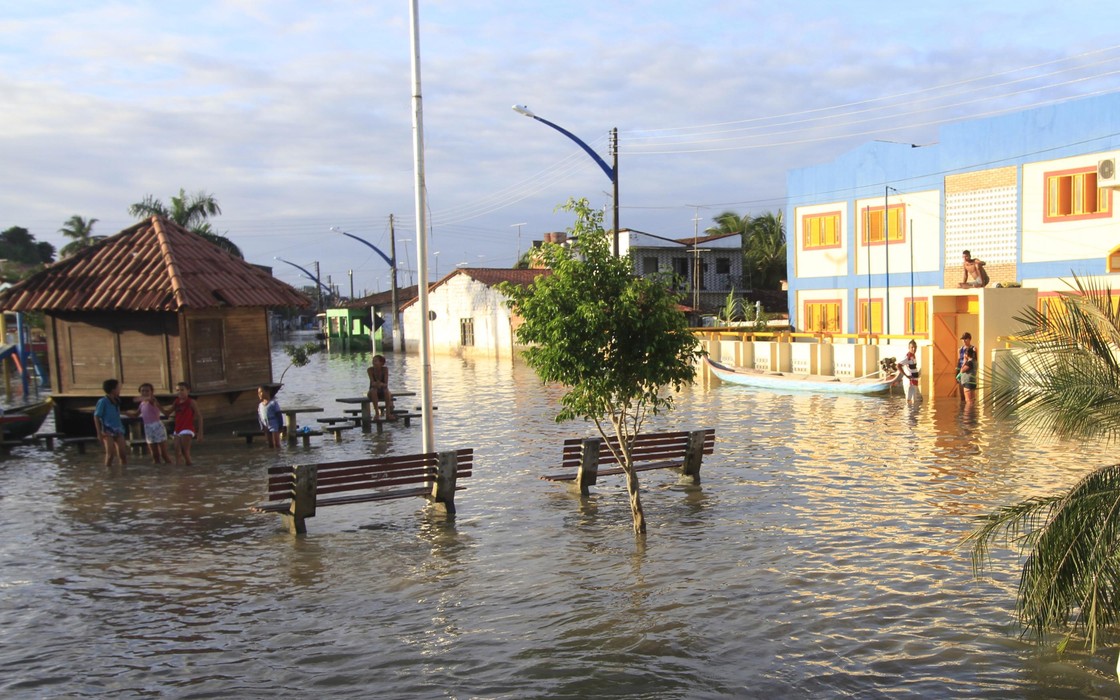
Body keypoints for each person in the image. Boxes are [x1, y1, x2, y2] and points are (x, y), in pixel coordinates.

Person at [93, 378, 129, 467]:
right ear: (113, 389)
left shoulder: (117, 400)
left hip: (118, 428)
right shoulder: (103, 401)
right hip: (107, 430)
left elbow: (114, 412)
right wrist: (99, 433)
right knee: (110, 455)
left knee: (123, 454)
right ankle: (108, 473)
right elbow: (96, 416)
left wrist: (127, 413)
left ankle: (123, 472)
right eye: (118, 388)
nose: (119, 389)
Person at [136, 382, 171, 464]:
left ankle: (170, 470)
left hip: (157, 427)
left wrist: (140, 398)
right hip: (148, 427)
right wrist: (123, 413)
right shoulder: (142, 404)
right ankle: (158, 473)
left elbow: (150, 399)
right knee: (155, 455)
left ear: (151, 392)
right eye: (142, 391)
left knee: (163, 454)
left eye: (147, 391)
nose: (144, 393)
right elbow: (136, 414)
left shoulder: (152, 400)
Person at [171, 381, 203, 465]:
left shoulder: (191, 402)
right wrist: (157, 404)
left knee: (185, 452)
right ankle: (180, 473)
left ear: (188, 391)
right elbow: (167, 413)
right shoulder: (176, 402)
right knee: (176, 452)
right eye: (178, 390)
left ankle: (190, 469)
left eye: (182, 390)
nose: (180, 392)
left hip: (187, 428)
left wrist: (200, 433)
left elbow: (199, 416)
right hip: (177, 428)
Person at [366, 354, 396, 420]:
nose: (373, 362)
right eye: (373, 361)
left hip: (383, 390)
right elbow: (372, 383)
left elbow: (386, 384)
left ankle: (388, 414)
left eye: (376, 361)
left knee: (386, 391)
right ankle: (377, 413)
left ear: (381, 363)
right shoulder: (370, 370)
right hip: (372, 391)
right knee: (374, 391)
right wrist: (378, 384)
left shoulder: (385, 369)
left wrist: (380, 384)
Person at [956, 332, 975, 403]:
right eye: (963, 339)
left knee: (969, 394)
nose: (964, 341)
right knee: (962, 394)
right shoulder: (960, 349)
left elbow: (974, 361)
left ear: (969, 339)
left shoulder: (973, 349)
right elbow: (958, 361)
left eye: (965, 339)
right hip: (961, 372)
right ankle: (962, 409)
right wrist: (957, 373)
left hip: (969, 372)